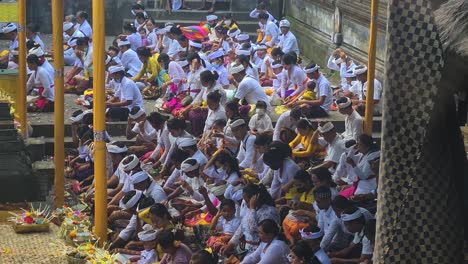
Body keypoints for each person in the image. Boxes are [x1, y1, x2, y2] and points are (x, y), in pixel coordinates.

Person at [221, 184, 279, 256]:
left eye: (247, 201)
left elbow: (253, 229)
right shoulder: (252, 209)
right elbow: (242, 227)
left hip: (262, 249)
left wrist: (252, 208)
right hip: (248, 247)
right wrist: (231, 244)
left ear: (255, 198)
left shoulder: (268, 212)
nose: (246, 204)